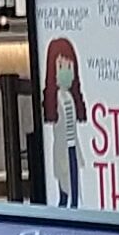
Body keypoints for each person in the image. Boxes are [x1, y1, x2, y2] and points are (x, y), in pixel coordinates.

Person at [42, 37, 84, 206]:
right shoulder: (55, 98)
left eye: (69, 66)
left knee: (75, 191)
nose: (66, 71)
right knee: (64, 191)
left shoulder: (71, 97)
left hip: (73, 148)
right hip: (62, 150)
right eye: (61, 66)